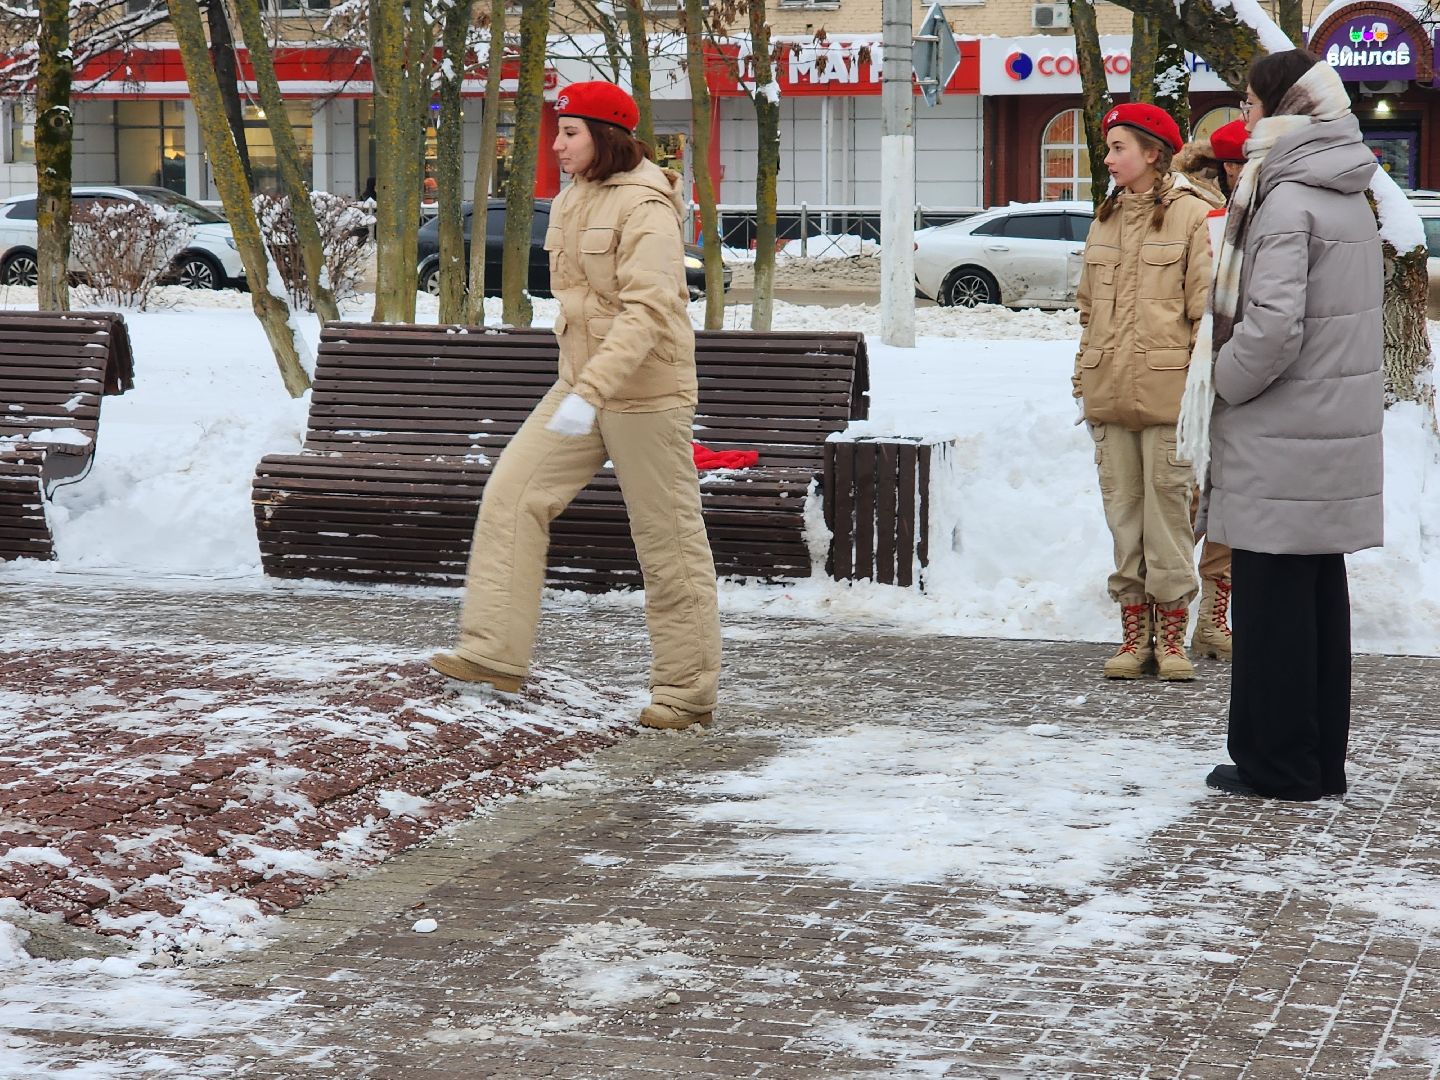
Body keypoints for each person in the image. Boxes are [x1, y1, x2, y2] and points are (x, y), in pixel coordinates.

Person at [429, 80, 721, 733]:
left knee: (667, 545)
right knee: (512, 494)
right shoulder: (572, 198)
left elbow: (648, 311)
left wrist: (590, 392)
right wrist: (579, 387)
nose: (556, 143)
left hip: (645, 393)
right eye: (558, 130)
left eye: (570, 132)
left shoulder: (647, 206)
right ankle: (493, 653)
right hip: (582, 386)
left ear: (606, 136)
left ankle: (685, 694)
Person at [1184, 51, 1383, 801]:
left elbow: (1270, 331)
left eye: (1252, 102)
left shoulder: (1286, 200)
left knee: (1271, 607)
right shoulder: (1344, 193)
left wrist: (1219, 389)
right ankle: (1316, 760)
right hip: (1325, 430)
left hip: (1280, 433)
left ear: (1288, 108)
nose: (1245, 117)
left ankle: (1278, 763)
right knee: (1315, 603)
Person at [1073, 103, 1214, 682]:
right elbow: (1086, 309)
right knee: (1123, 518)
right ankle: (1135, 637)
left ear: (1152, 154)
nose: (1108, 159)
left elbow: (1206, 312)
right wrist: (1084, 374)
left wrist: (1203, 390)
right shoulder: (1104, 218)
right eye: (1108, 149)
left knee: (1169, 521)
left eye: (1118, 149)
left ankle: (1172, 637)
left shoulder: (1192, 216)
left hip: (1168, 396)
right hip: (1109, 394)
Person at [1173, 118, 1252, 662]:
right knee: (1185, 499)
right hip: (1192, 381)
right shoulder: (1204, 224)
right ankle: (1168, 617)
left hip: (1248, 382)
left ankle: (1213, 620)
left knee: (1232, 505)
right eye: (1231, 165)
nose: (1239, 174)